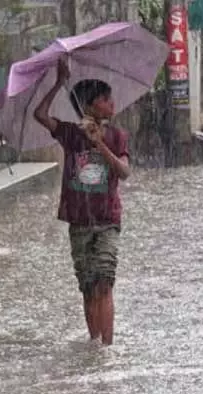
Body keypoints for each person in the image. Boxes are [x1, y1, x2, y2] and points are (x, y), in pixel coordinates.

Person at [33, 60, 131, 346]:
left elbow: (124, 172)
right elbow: (40, 114)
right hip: (79, 221)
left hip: (107, 220)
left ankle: (107, 350)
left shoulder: (116, 136)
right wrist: (57, 82)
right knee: (88, 287)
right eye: (104, 99)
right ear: (89, 106)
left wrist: (100, 143)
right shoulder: (70, 135)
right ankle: (94, 344)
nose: (111, 103)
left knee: (105, 282)